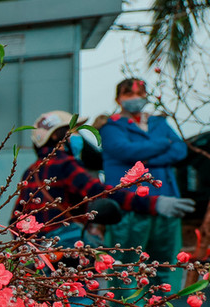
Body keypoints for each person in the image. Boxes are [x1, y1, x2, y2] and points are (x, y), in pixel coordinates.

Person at [13, 110, 194, 251]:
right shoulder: (64, 164)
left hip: (33, 250)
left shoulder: (31, 170)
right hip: (64, 248)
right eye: (72, 131)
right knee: (80, 298)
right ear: (55, 136)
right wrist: (154, 203)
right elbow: (101, 193)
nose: (77, 137)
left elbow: (17, 215)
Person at [99, 79, 192, 289]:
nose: (135, 98)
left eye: (139, 93)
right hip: (131, 206)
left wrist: (146, 158)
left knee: (166, 265)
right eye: (129, 94)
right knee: (128, 266)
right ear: (118, 99)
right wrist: (162, 144)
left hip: (166, 203)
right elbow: (125, 151)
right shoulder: (111, 126)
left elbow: (180, 150)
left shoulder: (159, 123)